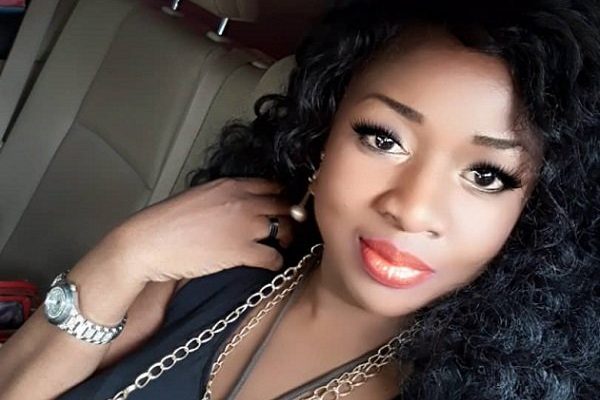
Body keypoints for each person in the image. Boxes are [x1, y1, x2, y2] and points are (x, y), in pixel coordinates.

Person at [0, 0, 598, 399]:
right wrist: (125, 254)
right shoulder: (207, 271)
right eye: (383, 139)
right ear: (321, 135)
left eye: (487, 176)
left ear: (536, 214)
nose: (412, 208)